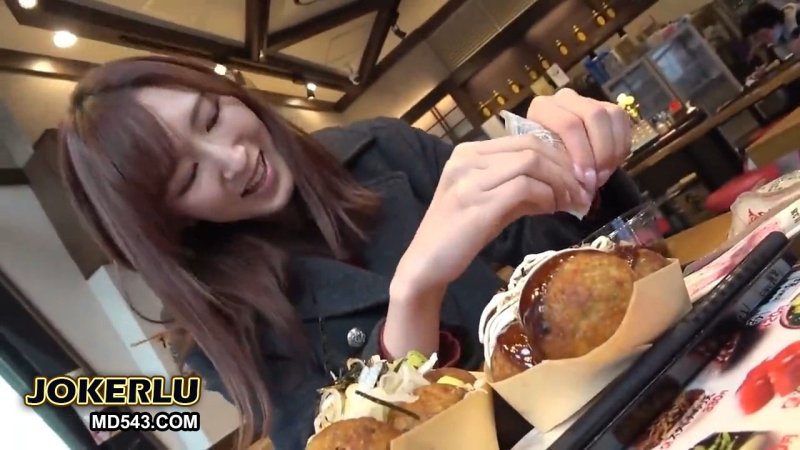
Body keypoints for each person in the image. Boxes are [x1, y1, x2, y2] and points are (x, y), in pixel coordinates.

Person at [58, 55, 632, 449]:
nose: (232, 159)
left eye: (211, 117)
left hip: (595, 405)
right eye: (187, 177)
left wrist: (568, 157)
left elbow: (546, 247)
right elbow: (339, 440)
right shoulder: (219, 326)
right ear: (171, 217)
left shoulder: (381, 148)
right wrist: (414, 292)